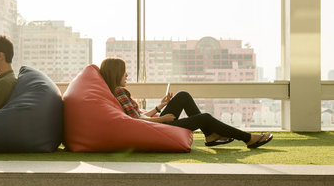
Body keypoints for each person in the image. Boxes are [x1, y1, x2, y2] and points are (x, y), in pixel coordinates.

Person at [99, 57, 273, 149]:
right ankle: (248, 138)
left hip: (153, 124)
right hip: (156, 127)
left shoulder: (115, 91)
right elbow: (135, 122)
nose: (127, 75)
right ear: (116, 74)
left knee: (183, 95)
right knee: (204, 117)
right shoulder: (119, 91)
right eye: (124, 73)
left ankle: (210, 135)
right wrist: (163, 119)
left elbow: (136, 116)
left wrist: (160, 107)